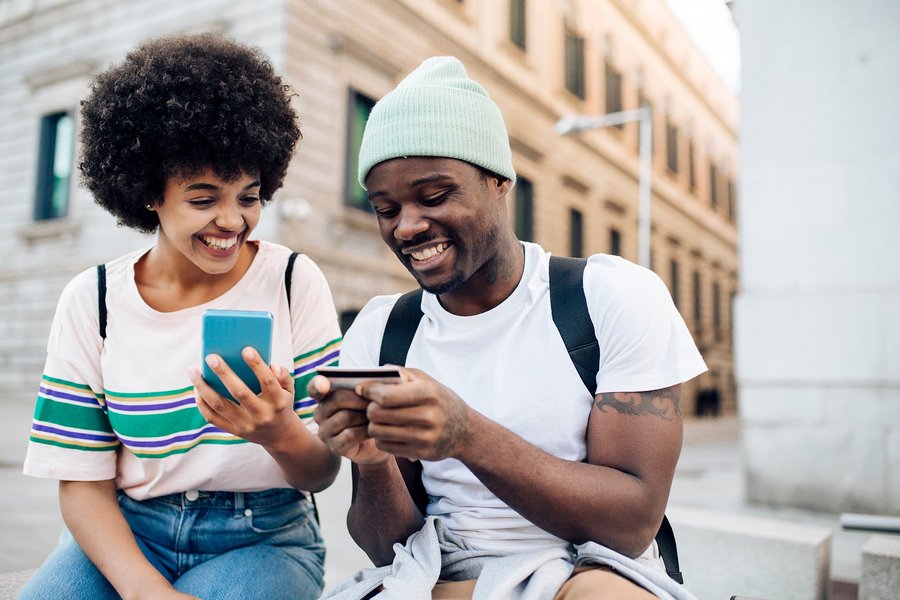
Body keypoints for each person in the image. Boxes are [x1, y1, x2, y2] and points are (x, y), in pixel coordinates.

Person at [311, 56, 707, 600]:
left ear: (500, 182)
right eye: (385, 208)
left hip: (579, 574)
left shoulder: (608, 298)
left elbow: (630, 526)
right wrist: (374, 461)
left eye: (433, 196)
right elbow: (386, 549)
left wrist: (467, 436)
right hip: (437, 577)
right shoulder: (382, 330)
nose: (406, 226)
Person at [20, 33, 342, 600]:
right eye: (202, 198)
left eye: (249, 195)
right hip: (133, 528)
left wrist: (278, 431)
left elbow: (321, 471)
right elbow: (82, 484)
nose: (232, 221)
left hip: (263, 536)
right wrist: (146, 591)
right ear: (149, 194)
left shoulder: (293, 282)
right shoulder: (93, 301)